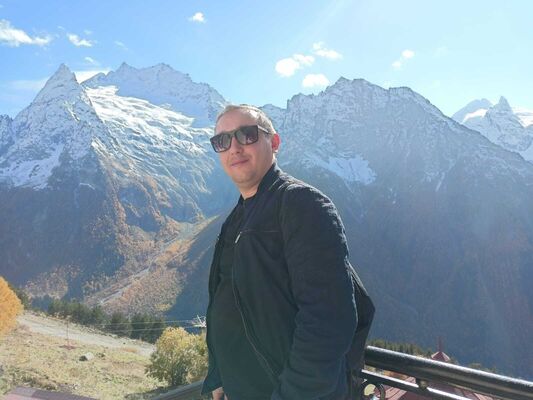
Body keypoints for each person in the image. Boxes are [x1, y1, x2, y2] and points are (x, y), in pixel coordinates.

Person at [202, 104, 374, 400]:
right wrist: (220, 375)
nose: (234, 147)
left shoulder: (301, 204)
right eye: (222, 141)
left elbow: (328, 321)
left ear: (274, 142)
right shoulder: (238, 216)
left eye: (247, 134)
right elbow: (228, 298)